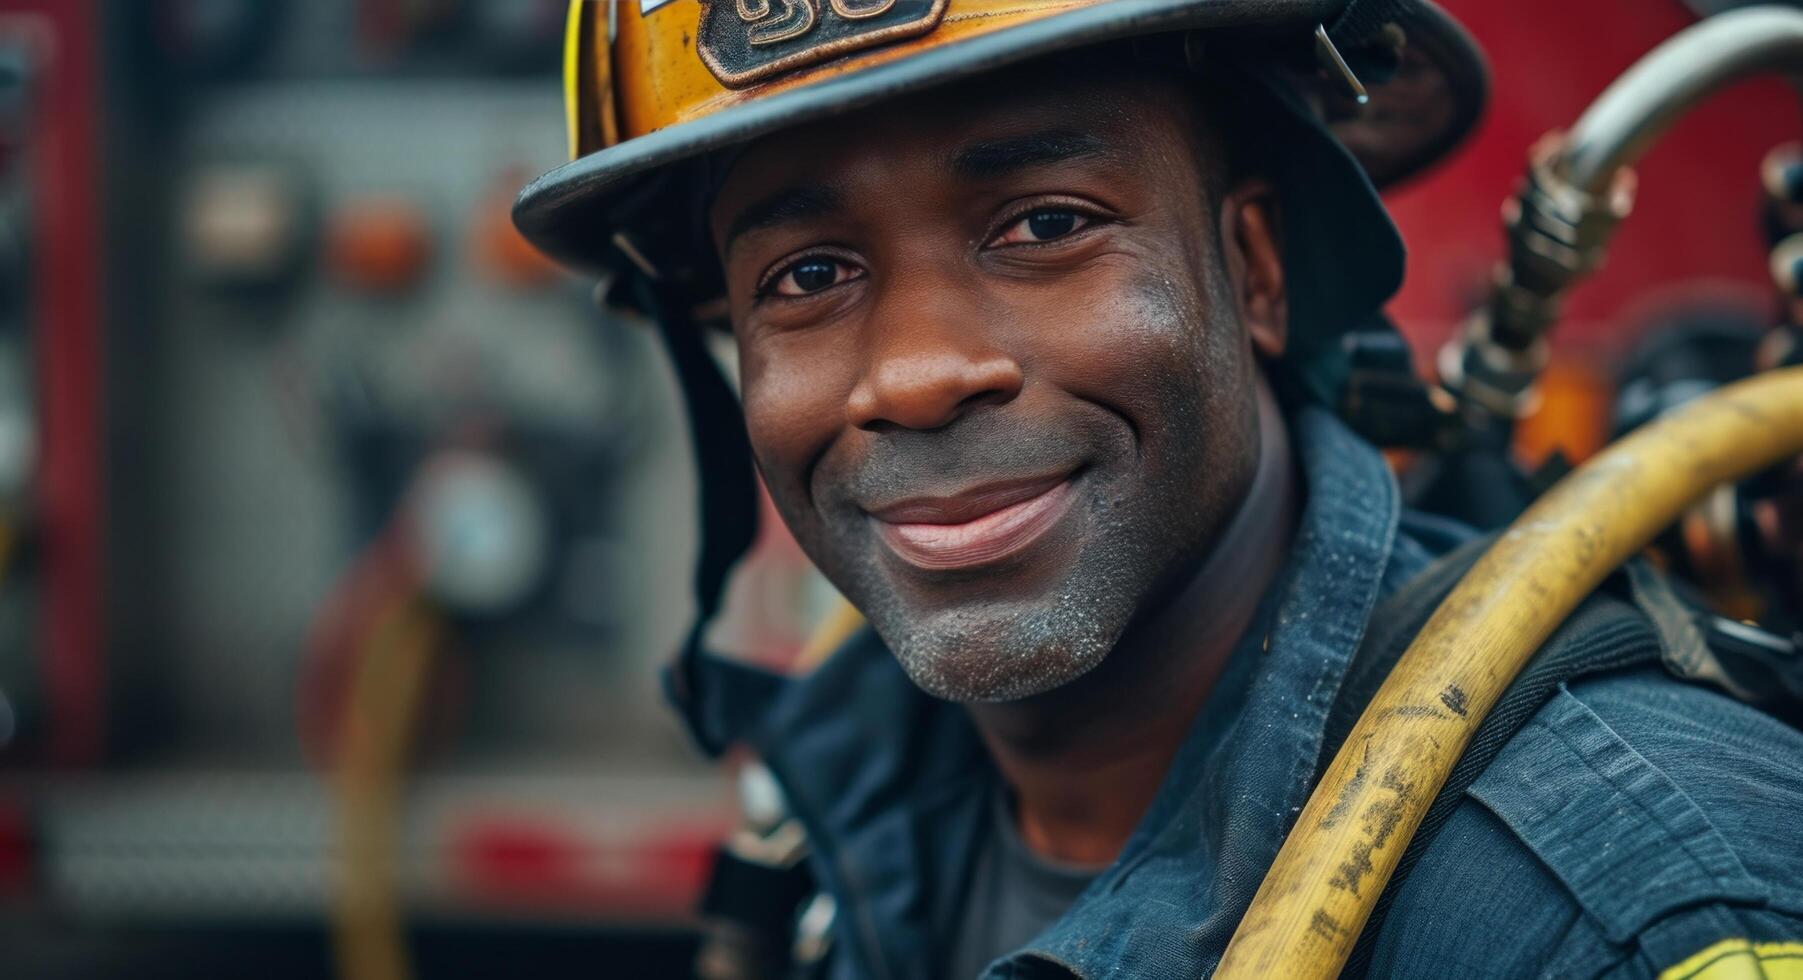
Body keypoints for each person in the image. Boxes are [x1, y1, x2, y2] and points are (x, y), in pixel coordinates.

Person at [515, 2, 1803, 977]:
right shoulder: (832, 807)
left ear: (1253, 267)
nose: (911, 377)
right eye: (806, 277)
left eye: (1045, 224)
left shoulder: (1626, 913)